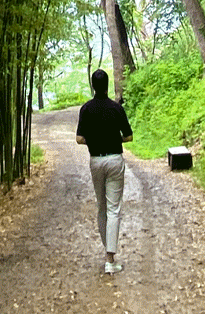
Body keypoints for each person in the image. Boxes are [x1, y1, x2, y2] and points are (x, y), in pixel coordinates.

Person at [75, 69, 133, 274]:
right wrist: (114, 138)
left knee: (101, 207)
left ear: (93, 86)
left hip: (96, 161)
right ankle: (110, 258)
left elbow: (79, 139)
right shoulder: (116, 108)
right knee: (113, 209)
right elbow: (129, 137)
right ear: (107, 85)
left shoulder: (86, 109)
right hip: (115, 160)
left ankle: (107, 252)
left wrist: (94, 139)